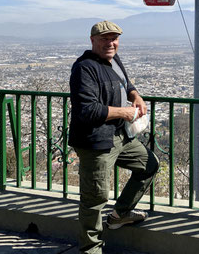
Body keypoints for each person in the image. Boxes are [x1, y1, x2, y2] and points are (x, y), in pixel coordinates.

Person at [69, 20, 159, 254]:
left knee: (149, 164)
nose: (111, 43)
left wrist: (135, 95)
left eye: (114, 38)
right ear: (93, 41)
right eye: (105, 39)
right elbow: (87, 110)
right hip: (96, 141)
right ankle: (91, 249)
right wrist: (124, 112)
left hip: (120, 135)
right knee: (94, 198)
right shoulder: (84, 68)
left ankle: (120, 214)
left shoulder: (113, 60)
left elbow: (126, 83)